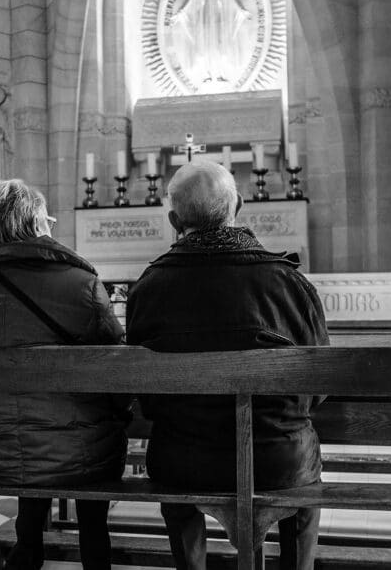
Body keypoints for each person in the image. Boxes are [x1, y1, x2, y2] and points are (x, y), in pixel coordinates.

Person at [126, 160, 329, 570]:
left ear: (174, 221)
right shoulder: (289, 283)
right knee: (301, 480)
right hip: (276, 458)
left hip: (183, 460)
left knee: (173, 467)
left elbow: (145, 395)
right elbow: (319, 384)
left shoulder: (149, 289)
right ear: (238, 206)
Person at [0, 179, 128, 570]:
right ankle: (94, 551)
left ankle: (28, 547)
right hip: (82, 456)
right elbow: (120, 377)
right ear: (38, 224)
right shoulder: (83, 286)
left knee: (31, 431)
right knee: (75, 433)